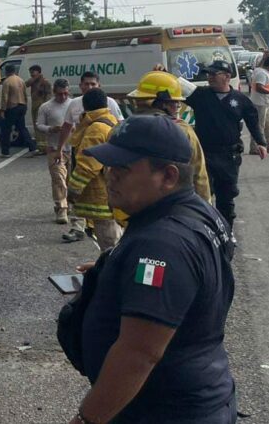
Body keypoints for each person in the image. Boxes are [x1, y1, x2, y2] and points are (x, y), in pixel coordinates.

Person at [68, 115, 237, 424]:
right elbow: (191, 281)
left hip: (165, 412)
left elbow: (138, 354)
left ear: (168, 176)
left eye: (123, 169)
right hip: (194, 397)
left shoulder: (162, 243)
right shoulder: (198, 212)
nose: (110, 176)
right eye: (109, 166)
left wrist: (87, 419)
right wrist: (118, 274)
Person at [184, 59, 267, 226]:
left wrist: (261, 142)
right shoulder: (199, 95)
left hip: (229, 156)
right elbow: (175, 88)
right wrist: (163, 72)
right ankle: (204, 231)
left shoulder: (240, 100)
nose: (210, 77)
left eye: (214, 74)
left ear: (227, 76)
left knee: (227, 196)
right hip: (205, 154)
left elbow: (252, 122)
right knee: (203, 194)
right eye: (209, 74)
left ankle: (227, 233)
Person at [126, 71, 211, 201]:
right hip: (174, 205)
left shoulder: (123, 129)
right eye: (175, 102)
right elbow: (199, 174)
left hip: (133, 205)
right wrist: (205, 208)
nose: (178, 106)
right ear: (162, 103)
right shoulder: (182, 130)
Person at [65, 88, 120, 249]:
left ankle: (112, 271)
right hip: (110, 192)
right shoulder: (110, 121)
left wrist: (73, 191)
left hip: (100, 197)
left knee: (109, 244)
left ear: (85, 106)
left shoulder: (96, 128)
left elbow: (87, 165)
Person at [36, 78, 77, 226]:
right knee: (58, 179)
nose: (63, 97)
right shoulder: (46, 107)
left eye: (66, 93)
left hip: (73, 148)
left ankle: (70, 204)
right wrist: (50, 129)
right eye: (60, 94)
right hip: (54, 149)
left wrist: (73, 129)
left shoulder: (74, 104)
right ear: (54, 92)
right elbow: (39, 125)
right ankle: (61, 208)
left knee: (70, 180)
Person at [58, 72, 125, 152]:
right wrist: (59, 149)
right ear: (80, 86)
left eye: (93, 84)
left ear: (99, 86)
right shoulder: (74, 103)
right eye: (86, 84)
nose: (90, 87)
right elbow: (66, 127)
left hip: (104, 148)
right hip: (80, 149)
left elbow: (120, 125)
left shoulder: (110, 102)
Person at [0, 63, 38, 158]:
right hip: (22, 106)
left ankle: (5, 151)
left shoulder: (7, 82)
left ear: (6, 72)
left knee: (5, 129)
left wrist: (2, 110)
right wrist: (25, 105)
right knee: (22, 128)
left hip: (12, 107)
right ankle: (32, 147)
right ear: (14, 71)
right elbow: (24, 94)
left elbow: (5, 97)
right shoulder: (21, 80)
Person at [249, 54, 269, 153]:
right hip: (260, 104)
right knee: (259, 126)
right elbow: (259, 87)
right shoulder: (261, 74)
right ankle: (255, 147)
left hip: (265, 104)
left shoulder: (260, 70)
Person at [26, 65, 51, 156]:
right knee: (36, 126)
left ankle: (44, 148)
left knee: (41, 126)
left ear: (38, 72)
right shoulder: (33, 82)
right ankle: (40, 147)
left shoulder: (45, 82)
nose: (31, 74)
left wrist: (46, 107)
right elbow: (26, 84)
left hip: (41, 106)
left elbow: (48, 95)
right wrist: (35, 78)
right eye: (30, 72)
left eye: (33, 72)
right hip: (34, 105)